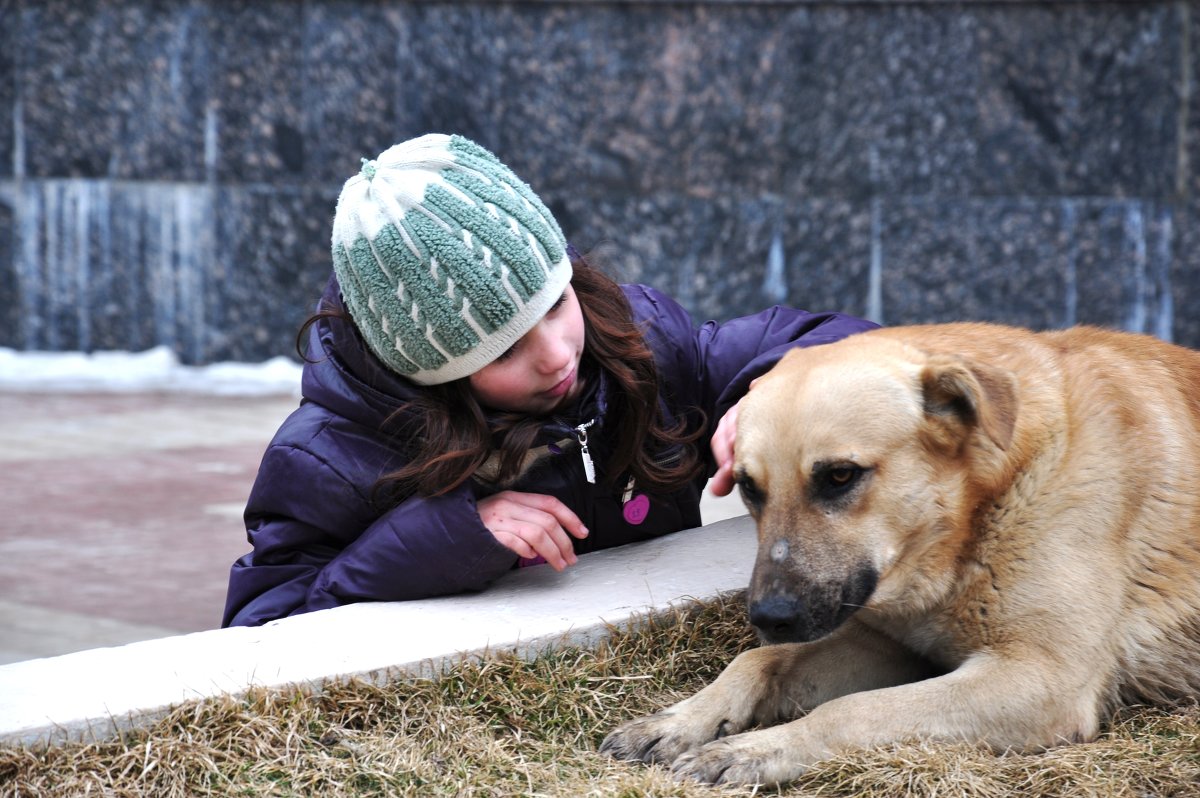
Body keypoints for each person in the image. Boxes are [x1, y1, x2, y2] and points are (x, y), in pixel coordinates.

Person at [221, 133, 877, 627]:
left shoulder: (635, 341)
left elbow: (852, 340)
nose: (558, 354)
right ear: (434, 374)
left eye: (555, 304)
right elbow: (257, 634)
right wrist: (445, 536)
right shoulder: (330, 457)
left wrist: (776, 389)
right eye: (504, 351)